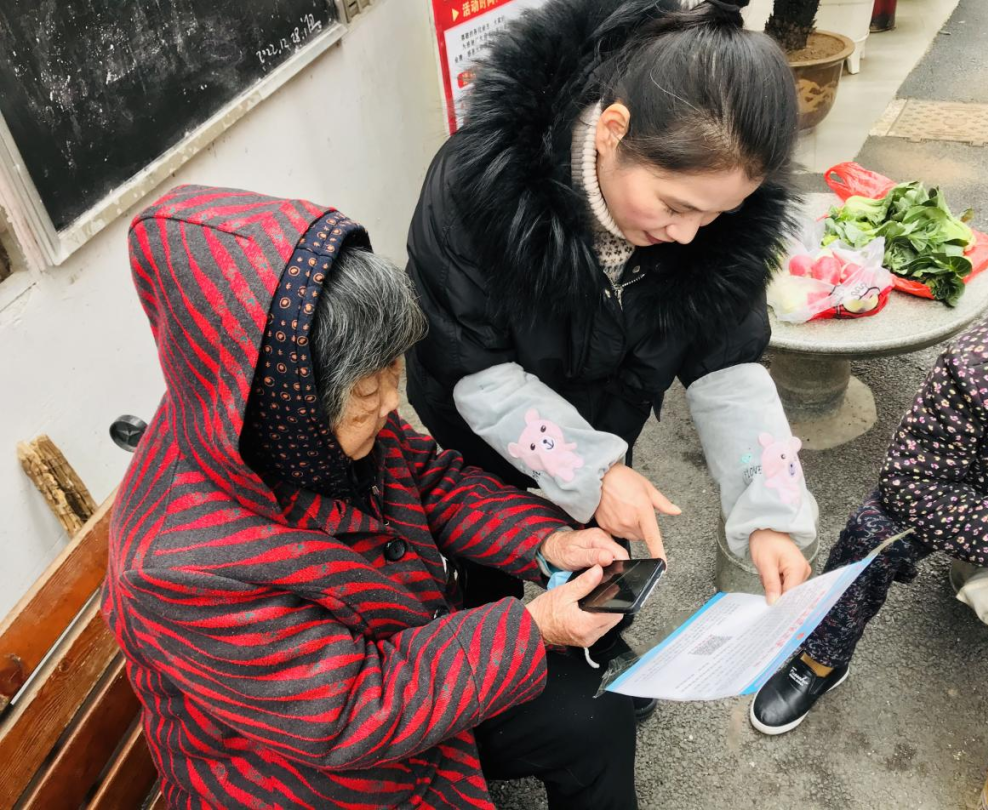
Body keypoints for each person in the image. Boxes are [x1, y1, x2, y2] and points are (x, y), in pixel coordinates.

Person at [102, 185, 640, 809]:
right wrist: (534, 628)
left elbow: (432, 481)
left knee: (596, 713)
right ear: (285, 399)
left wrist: (547, 541)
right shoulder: (175, 566)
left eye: (394, 372)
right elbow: (351, 711)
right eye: (368, 389)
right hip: (308, 776)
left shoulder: (293, 417)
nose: (392, 404)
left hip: (413, 661)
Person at [404, 0, 819, 686]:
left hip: (608, 408)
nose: (688, 235)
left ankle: (597, 646)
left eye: (717, 215)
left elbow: (729, 367)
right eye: (675, 205)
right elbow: (475, 367)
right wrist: (593, 472)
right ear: (612, 130)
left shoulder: (717, 230)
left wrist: (768, 513)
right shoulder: (478, 184)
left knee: (609, 540)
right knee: (487, 532)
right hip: (479, 411)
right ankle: (487, 650)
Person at [751, 281, 988, 735]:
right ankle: (821, 657)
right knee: (871, 533)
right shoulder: (987, 362)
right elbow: (910, 482)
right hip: (974, 492)